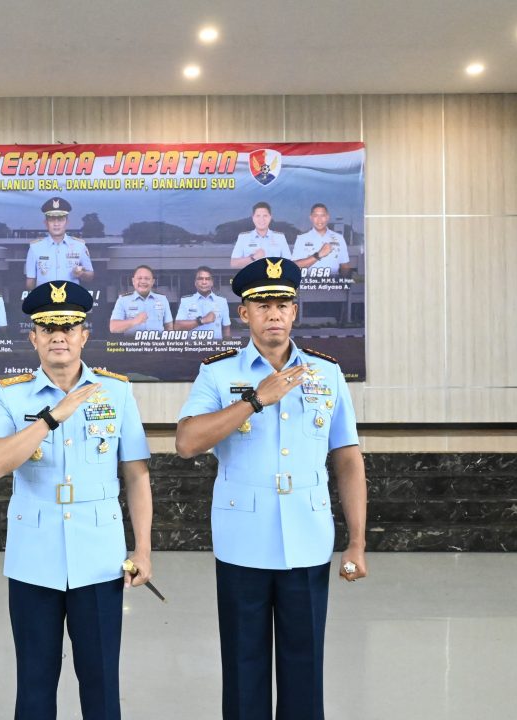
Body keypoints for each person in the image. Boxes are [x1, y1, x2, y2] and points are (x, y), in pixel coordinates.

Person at [174, 257, 367, 720]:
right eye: (262, 305)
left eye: (282, 303)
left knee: (305, 669)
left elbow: (347, 458)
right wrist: (256, 399)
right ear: (244, 314)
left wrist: (357, 540)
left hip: (307, 537)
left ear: (295, 311)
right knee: (244, 668)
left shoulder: (327, 373)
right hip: (243, 541)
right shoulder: (218, 374)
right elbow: (186, 442)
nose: (274, 313)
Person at [0, 280, 153, 720]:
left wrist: (144, 551)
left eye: (70, 325)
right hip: (33, 557)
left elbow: (136, 474)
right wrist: (51, 417)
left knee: (100, 680)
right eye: (48, 327)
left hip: (98, 555)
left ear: (84, 335)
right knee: (35, 682)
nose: (59, 335)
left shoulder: (116, 391)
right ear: (34, 337)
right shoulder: (11, 393)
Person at [24, 197, 94, 289]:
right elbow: (30, 281)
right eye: (52, 219)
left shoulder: (79, 246)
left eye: (60, 219)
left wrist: (82, 274)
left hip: (72, 300)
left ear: (67, 222)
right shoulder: (35, 248)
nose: (56, 224)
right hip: (45, 300)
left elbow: (90, 276)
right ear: (46, 223)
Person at [108, 264, 173, 336]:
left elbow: (169, 327)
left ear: (152, 282)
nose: (143, 281)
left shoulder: (162, 299)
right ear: (133, 281)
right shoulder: (123, 300)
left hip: (156, 346)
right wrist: (134, 321)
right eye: (139, 278)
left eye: (147, 278)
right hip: (134, 346)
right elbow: (113, 327)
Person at [291, 203, 352, 276]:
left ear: (327, 217)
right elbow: (295, 266)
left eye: (322, 215)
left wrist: (344, 284)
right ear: (311, 218)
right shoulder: (302, 239)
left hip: (332, 285)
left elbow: (345, 266)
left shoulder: (339, 238)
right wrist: (318, 255)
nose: (319, 220)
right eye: (316, 216)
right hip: (309, 285)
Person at [173, 265, 233, 339]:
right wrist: (202, 321)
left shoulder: (222, 302)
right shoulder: (186, 301)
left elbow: (226, 329)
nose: (204, 282)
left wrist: (227, 348)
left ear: (212, 282)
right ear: (195, 282)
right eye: (200, 279)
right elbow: (177, 326)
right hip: (192, 349)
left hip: (215, 349)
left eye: (207, 279)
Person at [229, 202, 291, 269]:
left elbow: (289, 264)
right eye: (258, 216)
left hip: (274, 278)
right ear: (253, 218)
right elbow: (234, 264)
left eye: (265, 216)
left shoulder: (280, 238)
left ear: (270, 217)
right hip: (251, 278)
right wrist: (253, 258)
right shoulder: (243, 238)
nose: (261, 219)